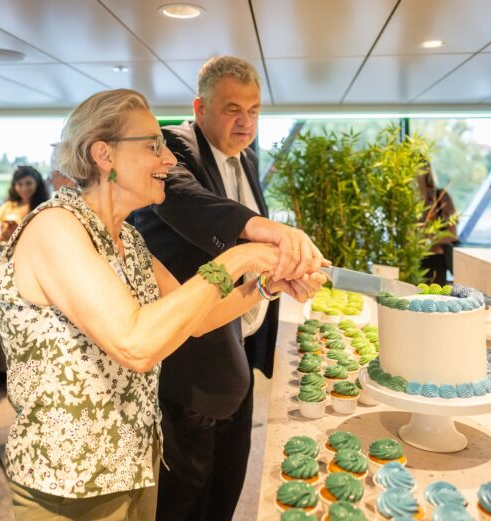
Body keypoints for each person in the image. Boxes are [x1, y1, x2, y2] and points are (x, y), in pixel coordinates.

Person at [0, 88, 324, 520]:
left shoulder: (127, 238)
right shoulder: (55, 227)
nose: (169, 160)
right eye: (153, 146)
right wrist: (241, 254)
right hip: (69, 483)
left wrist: (265, 286)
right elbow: (135, 344)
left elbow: (198, 320)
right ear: (103, 154)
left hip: (133, 467)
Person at [131, 56, 324, 521]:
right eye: (232, 108)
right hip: (192, 361)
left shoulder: (247, 156)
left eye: (255, 110)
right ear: (199, 107)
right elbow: (194, 206)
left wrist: (272, 282)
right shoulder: (172, 149)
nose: (246, 121)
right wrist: (270, 233)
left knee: (228, 483)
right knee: (187, 493)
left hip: (239, 342)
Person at [417, 161, 457, 286]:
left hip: (436, 263)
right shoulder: (406, 200)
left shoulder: (441, 197)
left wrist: (426, 240)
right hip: (412, 261)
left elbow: (452, 235)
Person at [0, 165, 48, 241]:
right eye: (20, 184)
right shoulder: (8, 207)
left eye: (28, 183)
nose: (24, 188)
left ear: (37, 184)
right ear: (14, 186)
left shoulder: (44, 209)